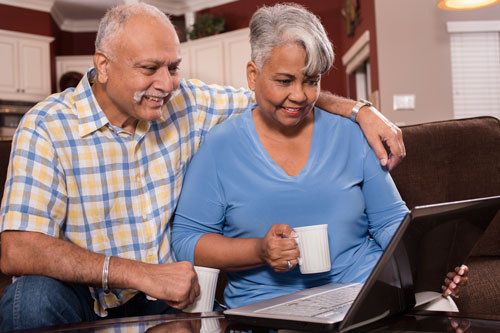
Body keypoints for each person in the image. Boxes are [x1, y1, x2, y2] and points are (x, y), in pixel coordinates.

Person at [0, 3, 407, 331]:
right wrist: (138, 274)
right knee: (29, 297)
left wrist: (361, 110)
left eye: (173, 67)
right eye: (149, 69)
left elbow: (282, 95)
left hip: (171, 300)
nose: (167, 83)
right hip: (91, 295)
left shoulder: (187, 103)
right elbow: (16, 249)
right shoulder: (48, 126)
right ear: (103, 65)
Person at [171, 3, 467, 310]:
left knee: (442, 306)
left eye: (312, 81)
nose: (299, 96)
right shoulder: (221, 147)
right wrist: (259, 250)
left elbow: (390, 221)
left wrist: (430, 268)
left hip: (364, 294)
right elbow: (186, 240)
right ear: (252, 75)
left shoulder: (352, 135)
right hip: (270, 309)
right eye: (284, 81)